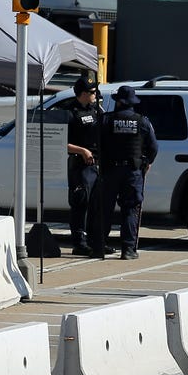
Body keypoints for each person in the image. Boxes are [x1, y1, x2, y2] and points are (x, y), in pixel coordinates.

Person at [100, 86, 158, 260]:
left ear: (119, 101)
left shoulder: (106, 120)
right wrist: (146, 162)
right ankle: (128, 250)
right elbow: (153, 147)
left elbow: (97, 143)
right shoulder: (142, 121)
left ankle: (99, 246)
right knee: (130, 209)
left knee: (104, 209)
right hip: (133, 171)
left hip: (110, 171)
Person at [63, 75, 113, 257]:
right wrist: (82, 151)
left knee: (96, 205)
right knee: (80, 204)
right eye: (92, 92)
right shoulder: (70, 113)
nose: (96, 95)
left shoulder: (95, 110)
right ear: (83, 94)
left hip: (97, 166)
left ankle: (96, 242)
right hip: (80, 166)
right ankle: (79, 243)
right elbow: (60, 142)